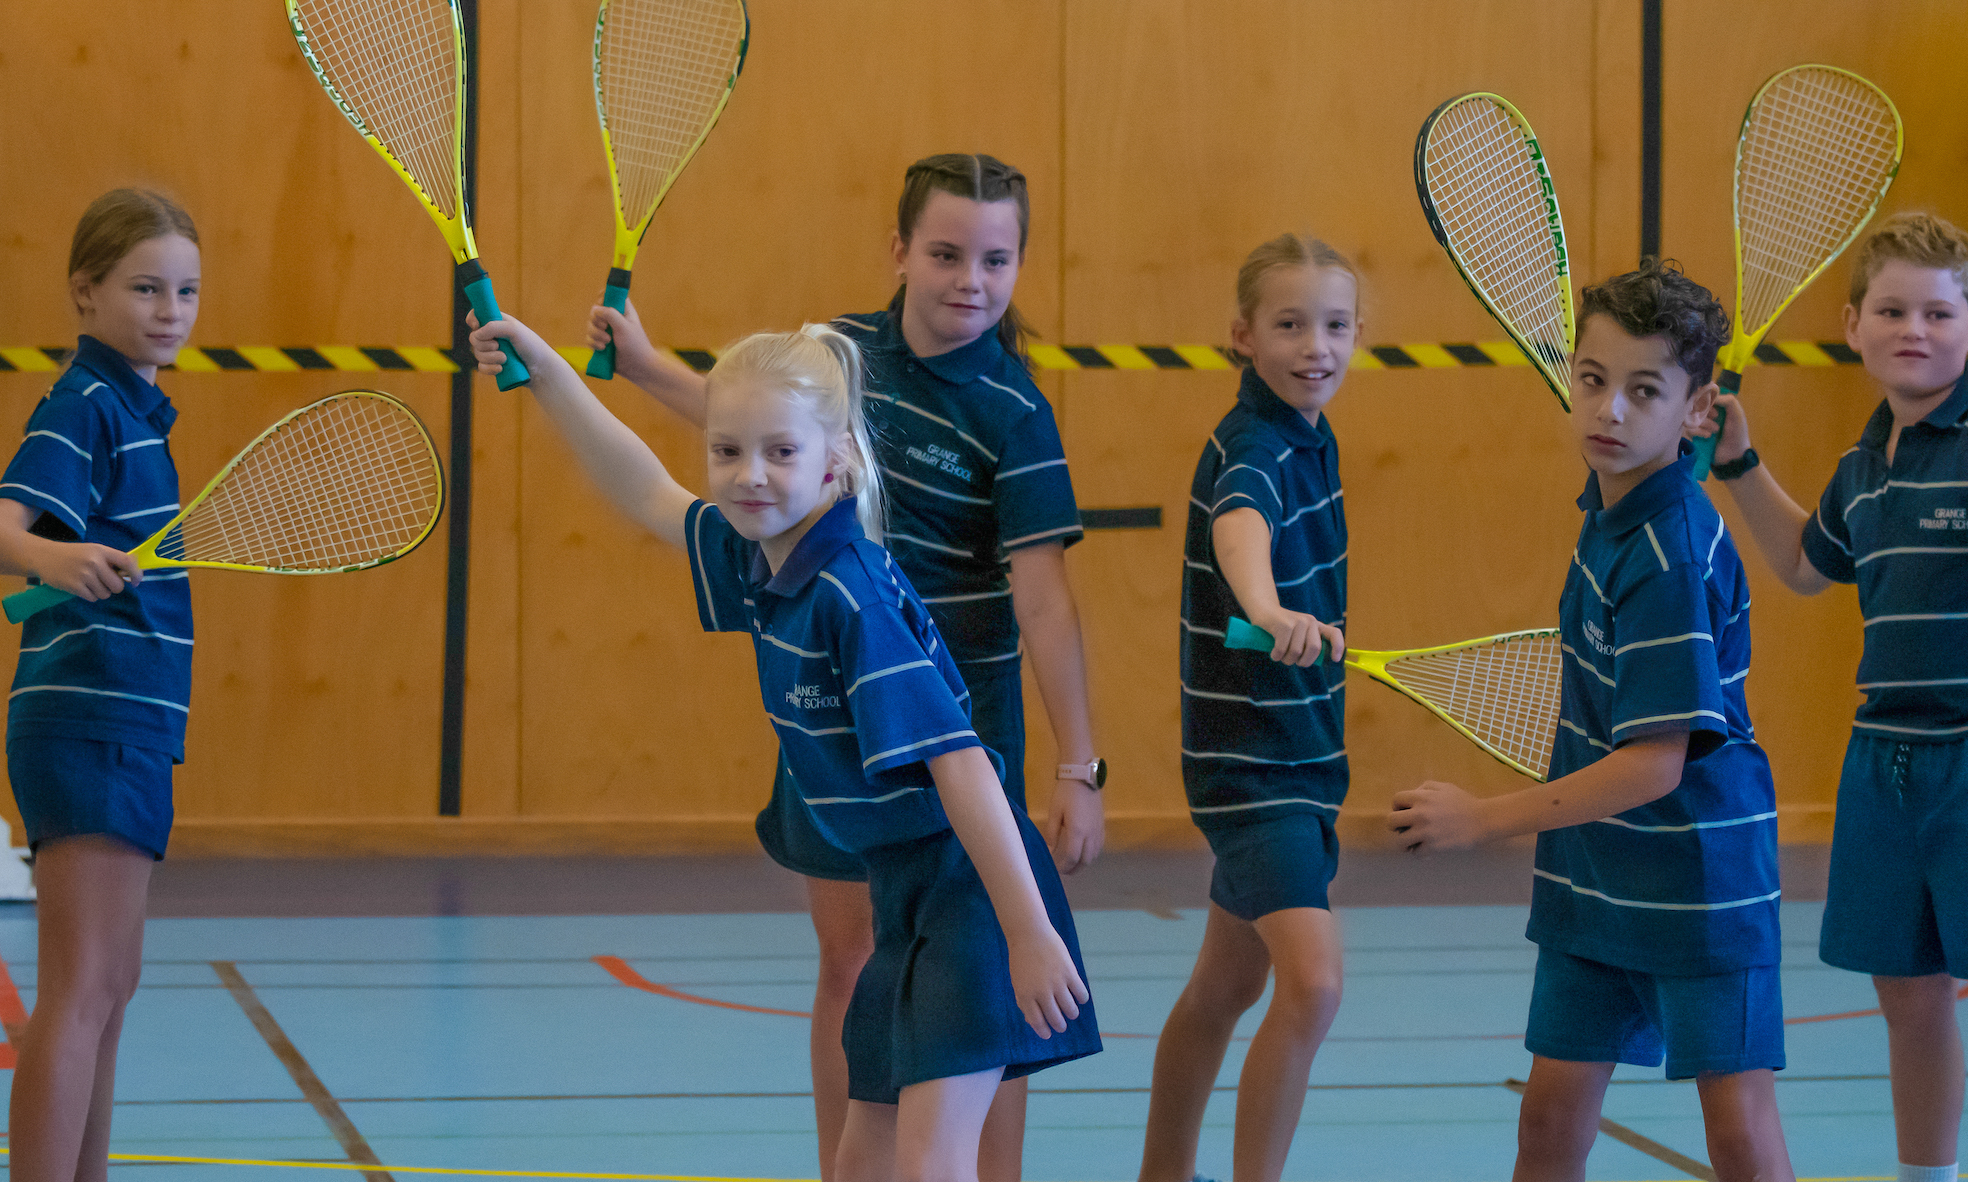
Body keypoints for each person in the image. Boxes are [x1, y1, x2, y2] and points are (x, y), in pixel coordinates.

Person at [467, 309, 1100, 1182]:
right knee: (858, 1163)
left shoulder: (853, 597)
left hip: (975, 899)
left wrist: (1028, 931)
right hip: (907, 897)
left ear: (835, 457)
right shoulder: (761, 560)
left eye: (779, 452)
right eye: (727, 451)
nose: (749, 475)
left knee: (928, 1164)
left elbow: (963, 766)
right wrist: (546, 372)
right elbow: (646, 491)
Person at [1393, 260, 1794, 1181]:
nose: (1610, 410)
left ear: (1698, 412)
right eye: (1593, 380)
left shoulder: (1668, 549)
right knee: (1550, 1121)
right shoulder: (1606, 509)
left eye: (1644, 391)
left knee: (1736, 1129)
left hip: (1699, 879)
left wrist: (1481, 818)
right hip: (1597, 876)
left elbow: (1655, 763)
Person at [1697, 211, 1968, 1182]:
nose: (1914, 327)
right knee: (1907, 997)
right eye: (1891, 309)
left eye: (1938, 312)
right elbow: (1799, 563)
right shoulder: (1861, 468)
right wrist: (1734, 463)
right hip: (1881, 764)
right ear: (1851, 324)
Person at [1137, 233, 1353, 1182]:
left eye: (1337, 325)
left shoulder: (1314, 431)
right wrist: (1263, 607)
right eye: (1291, 324)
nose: (1317, 346)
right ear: (1241, 335)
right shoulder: (1257, 441)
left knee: (1226, 984)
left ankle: (1161, 1172)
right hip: (1251, 762)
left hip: (1304, 753)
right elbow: (1242, 519)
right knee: (1314, 985)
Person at [0, 189, 202, 1182]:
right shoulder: (83, 405)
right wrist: (56, 560)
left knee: (113, 986)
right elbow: (4, 531)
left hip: (133, 727)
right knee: (80, 988)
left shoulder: (139, 412)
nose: (170, 309)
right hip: (87, 720)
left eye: (188, 290)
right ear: (84, 293)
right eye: (146, 287)